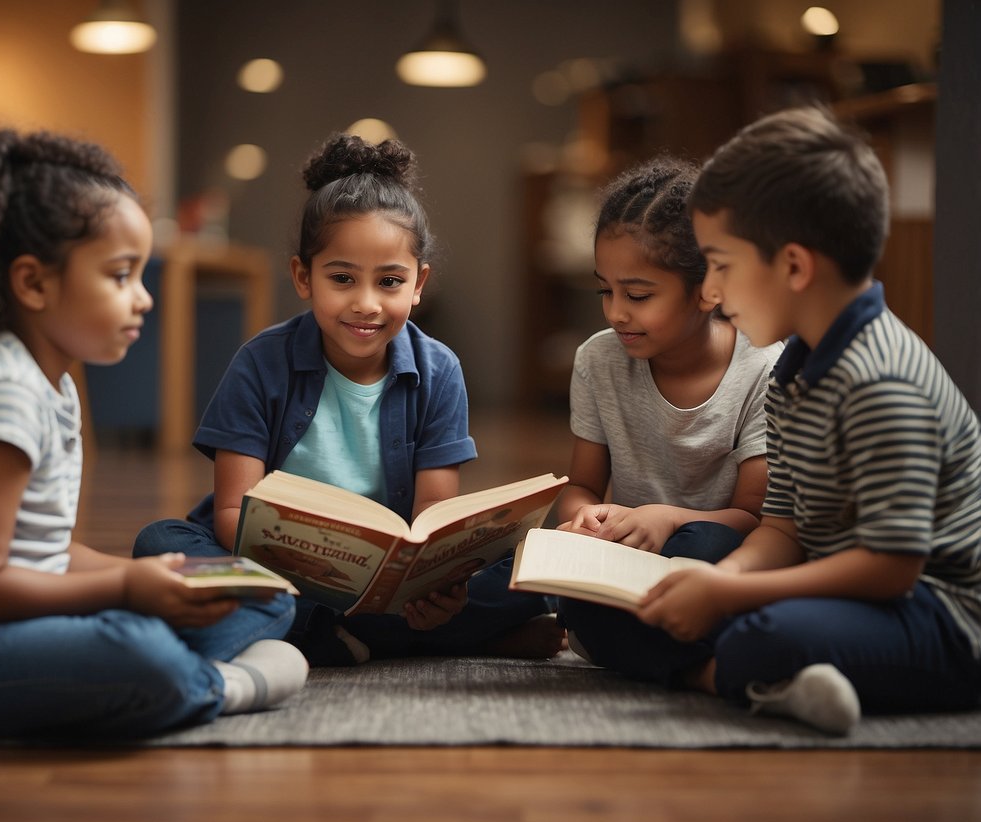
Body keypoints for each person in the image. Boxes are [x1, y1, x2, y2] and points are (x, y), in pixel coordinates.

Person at [0, 129, 307, 740]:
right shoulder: (4, 392)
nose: (144, 300)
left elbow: (42, 554)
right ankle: (216, 687)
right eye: (121, 276)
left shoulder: (55, 387)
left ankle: (167, 669)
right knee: (137, 648)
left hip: (4, 627)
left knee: (265, 597)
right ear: (35, 283)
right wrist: (124, 587)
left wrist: (169, 577)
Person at [133, 133, 562, 665]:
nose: (366, 304)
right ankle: (389, 636)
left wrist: (439, 582)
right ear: (302, 276)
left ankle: (333, 635)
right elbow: (231, 514)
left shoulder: (439, 370)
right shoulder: (260, 362)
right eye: (341, 278)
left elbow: (432, 512)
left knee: (533, 569)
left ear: (418, 284)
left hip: (386, 584)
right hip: (275, 570)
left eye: (389, 281)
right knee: (162, 542)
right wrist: (309, 568)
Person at [634, 105, 981, 735]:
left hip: (939, 614)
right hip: (841, 590)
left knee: (760, 634)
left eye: (721, 264)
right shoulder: (793, 370)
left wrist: (729, 598)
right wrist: (720, 578)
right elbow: (784, 528)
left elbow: (891, 565)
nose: (710, 290)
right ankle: (773, 685)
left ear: (793, 266)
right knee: (634, 602)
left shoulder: (882, 380)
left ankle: (723, 675)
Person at [553, 157, 782, 667]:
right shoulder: (598, 359)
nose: (615, 312)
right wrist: (585, 519)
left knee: (699, 543)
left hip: (709, 561)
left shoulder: (763, 370)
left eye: (637, 295)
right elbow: (581, 487)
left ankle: (644, 651)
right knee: (507, 571)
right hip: (624, 559)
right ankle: (657, 647)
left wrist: (668, 519)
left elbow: (755, 519)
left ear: (708, 291)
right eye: (604, 290)